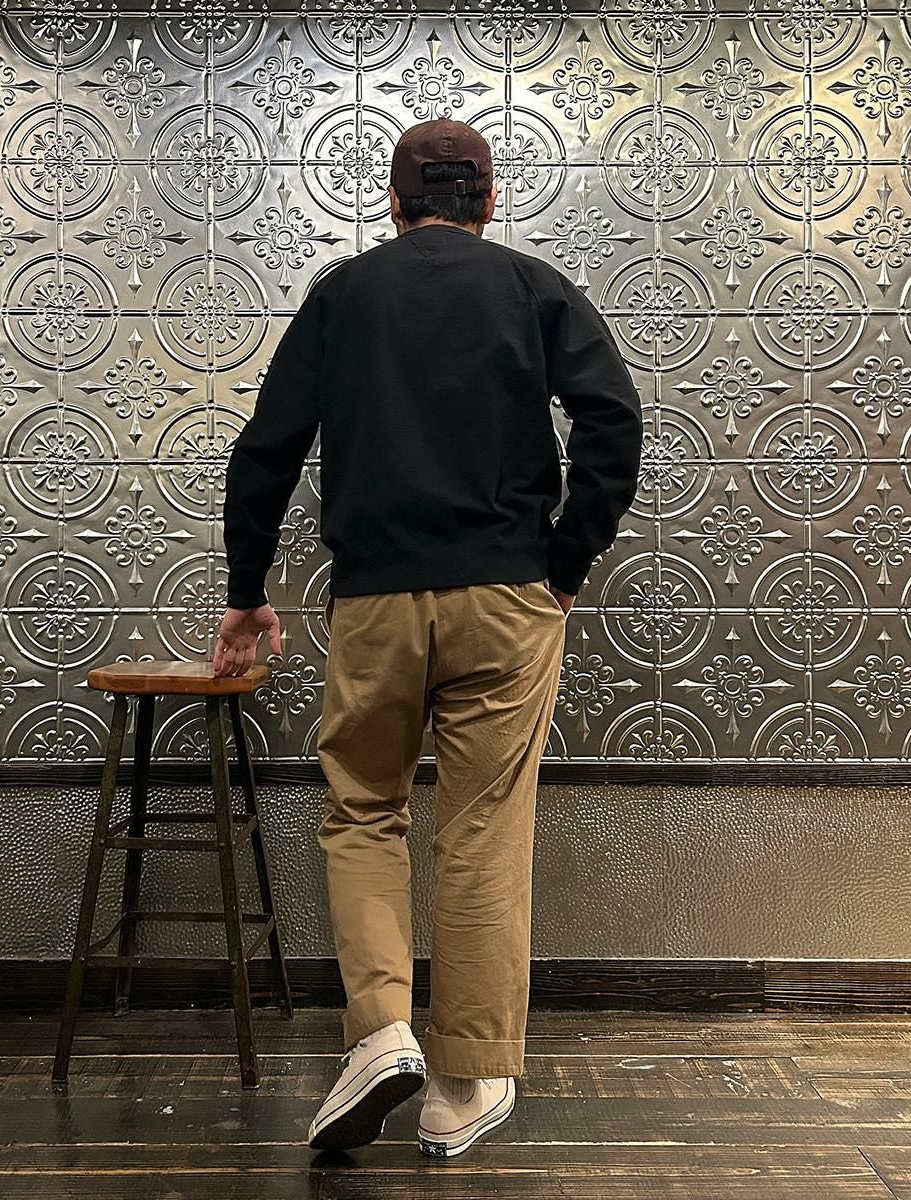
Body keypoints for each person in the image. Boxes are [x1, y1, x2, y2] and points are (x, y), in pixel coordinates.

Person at [214, 118, 643, 1157]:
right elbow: (614, 418)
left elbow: (267, 447)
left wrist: (247, 589)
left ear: (394, 201)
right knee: (482, 827)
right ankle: (465, 1082)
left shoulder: (344, 293)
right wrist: (566, 561)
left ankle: (380, 1033)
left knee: (364, 811)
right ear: (489, 201)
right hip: (507, 597)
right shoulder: (533, 286)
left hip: (374, 599)